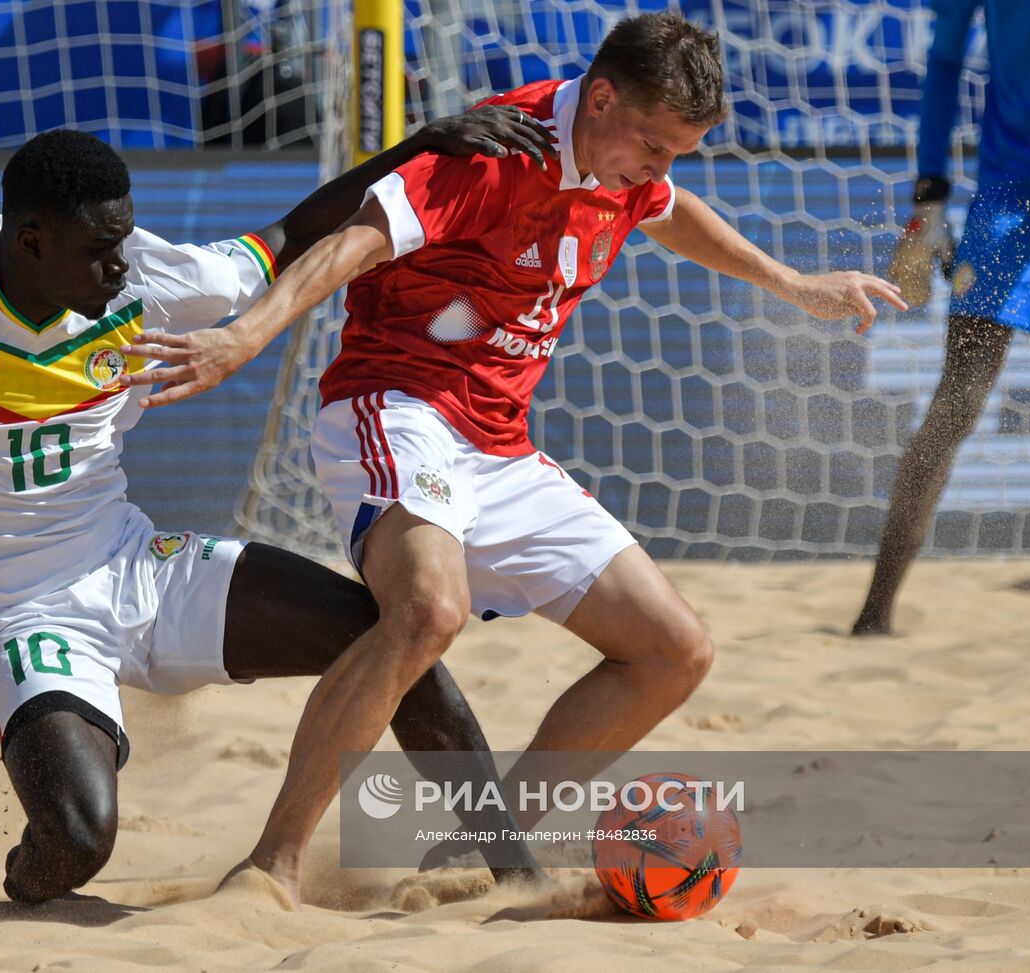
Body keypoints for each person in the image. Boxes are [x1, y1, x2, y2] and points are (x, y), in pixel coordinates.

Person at [122, 10, 907, 905]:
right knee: (426, 610)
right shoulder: (500, 150)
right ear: (600, 99)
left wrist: (795, 284)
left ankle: (475, 850)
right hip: (397, 405)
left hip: (498, 444)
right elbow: (354, 241)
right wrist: (244, 335)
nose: (660, 169)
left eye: (677, 152)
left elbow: (668, 209)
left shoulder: (629, 163)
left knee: (675, 649)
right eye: (653, 145)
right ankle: (271, 865)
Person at [0, 112, 560, 904]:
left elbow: (292, 232)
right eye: (100, 249)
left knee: (394, 634)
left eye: (126, 240)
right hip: (21, 606)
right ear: (29, 240)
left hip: (136, 561)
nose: (122, 264)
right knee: (78, 838)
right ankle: (29, 852)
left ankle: (516, 872)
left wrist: (422, 144)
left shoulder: (152, 277)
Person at [851, 0, 1030, 636]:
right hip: (1009, 202)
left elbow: (946, 62)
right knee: (953, 408)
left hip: (1008, 201)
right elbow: (944, 60)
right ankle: (875, 613)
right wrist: (928, 198)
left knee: (951, 411)